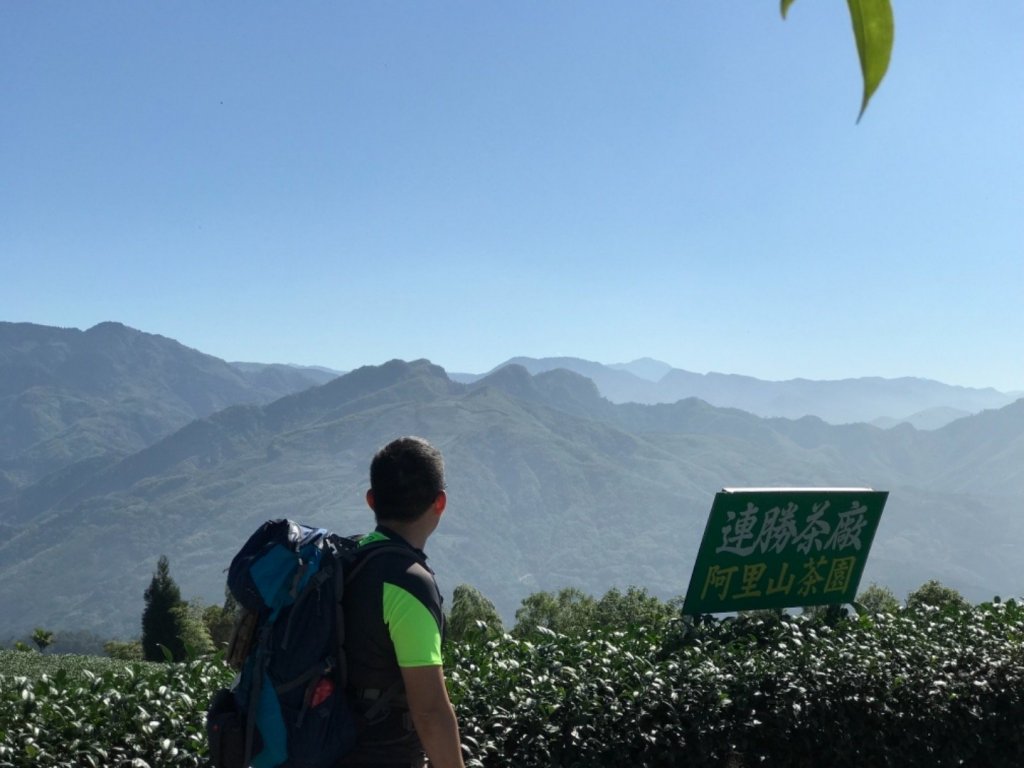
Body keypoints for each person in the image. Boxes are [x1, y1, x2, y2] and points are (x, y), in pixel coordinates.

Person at [340, 436, 466, 768]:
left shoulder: (347, 558)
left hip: (321, 748)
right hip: (383, 756)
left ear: (371, 500)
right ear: (440, 503)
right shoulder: (409, 582)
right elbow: (430, 711)